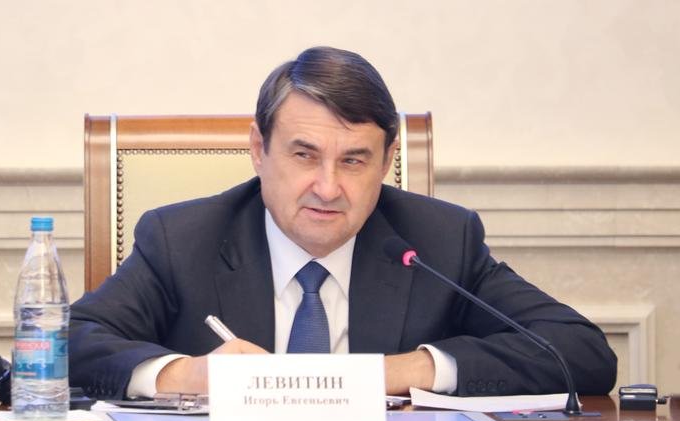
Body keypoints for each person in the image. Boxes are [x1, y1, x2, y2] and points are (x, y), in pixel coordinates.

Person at [69, 46, 617, 400]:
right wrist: (185, 376)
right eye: (304, 155)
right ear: (259, 150)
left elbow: (580, 352)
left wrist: (405, 371)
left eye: (354, 160)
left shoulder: (439, 241)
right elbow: (66, 343)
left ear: (387, 161)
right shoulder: (183, 239)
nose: (328, 188)